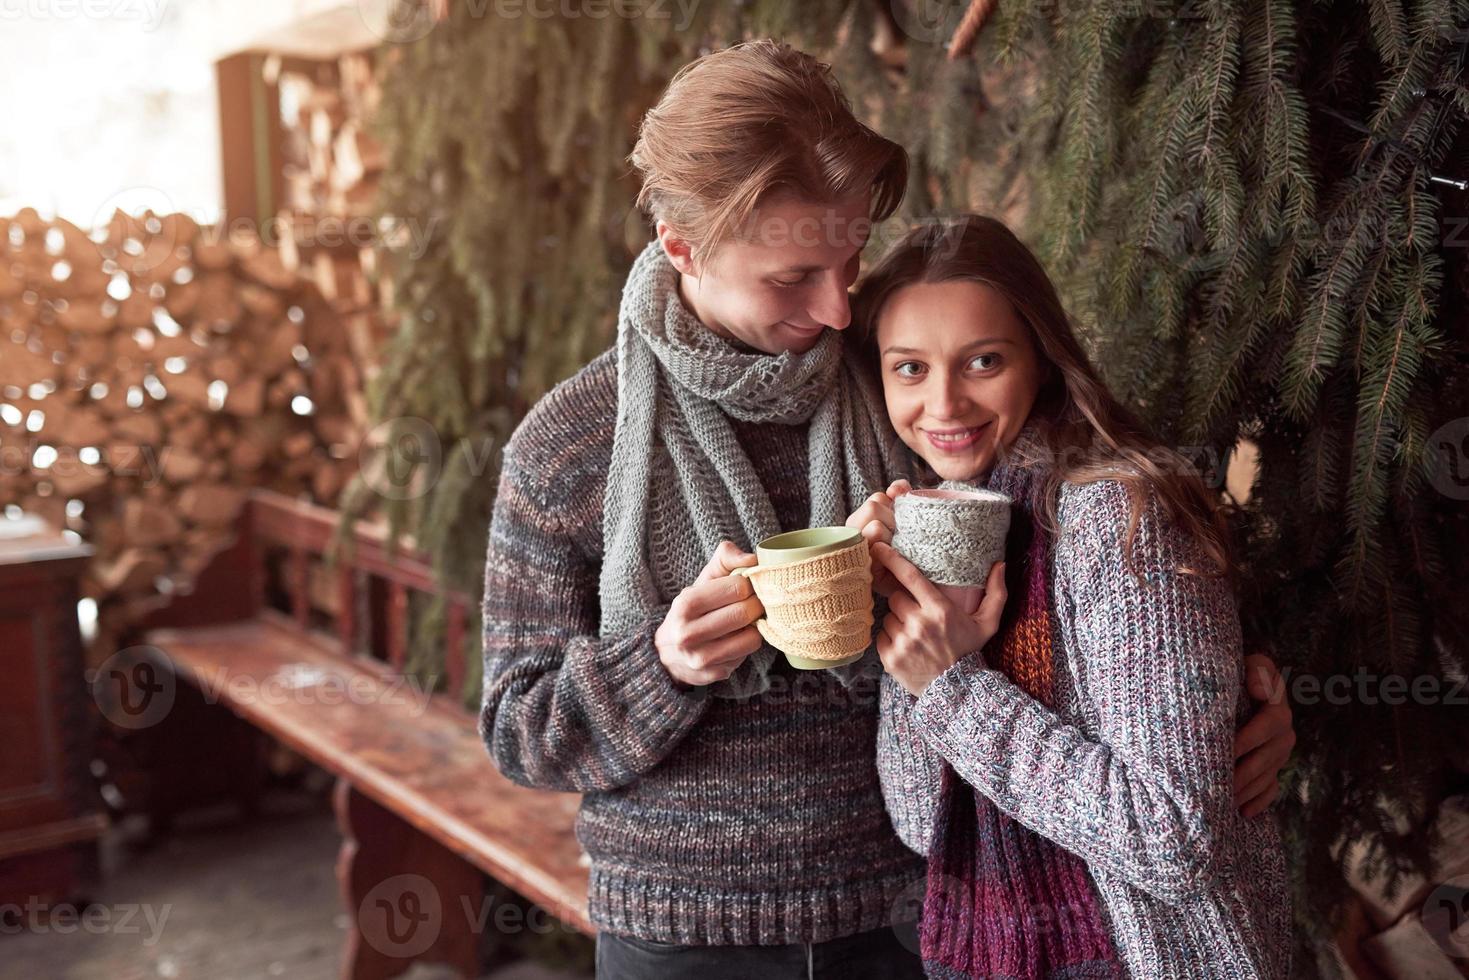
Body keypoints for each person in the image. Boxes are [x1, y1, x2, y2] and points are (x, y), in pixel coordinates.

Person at [479, 40, 1295, 980]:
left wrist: (1246, 692)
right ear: (681, 248)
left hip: (921, 909)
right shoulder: (571, 444)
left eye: (850, 260)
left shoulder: (900, 379)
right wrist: (658, 664)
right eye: (791, 280)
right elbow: (519, 729)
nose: (834, 311)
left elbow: (1095, 548)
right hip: (681, 931)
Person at [846, 215, 1291, 977]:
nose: (944, 405)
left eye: (982, 361)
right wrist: (914, 585)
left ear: (1041, 362)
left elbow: (1171, 839)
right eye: (909, 369)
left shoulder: (1119, 516)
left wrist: (951, 691)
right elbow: (926, 822)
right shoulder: (951, 515)